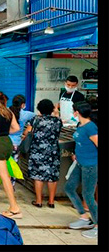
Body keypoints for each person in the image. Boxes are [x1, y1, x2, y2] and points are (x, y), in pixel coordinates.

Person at [65, 101, 98, 238]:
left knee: (88, 195)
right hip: (80, 163)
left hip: (90, 165)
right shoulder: (80, 125)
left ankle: (97, 225)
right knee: (69, 188)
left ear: (77, 112)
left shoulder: (91, 127)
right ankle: (84, 217)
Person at [23, 99, 63, 208]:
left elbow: (27, 132)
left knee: (38, 176)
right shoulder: (58, 121)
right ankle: (51, 202)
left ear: (39, 109)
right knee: (52, 176)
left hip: (38, 151)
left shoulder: (35, 120)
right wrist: (56, 113)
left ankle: (39, 201)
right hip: (53, 151)